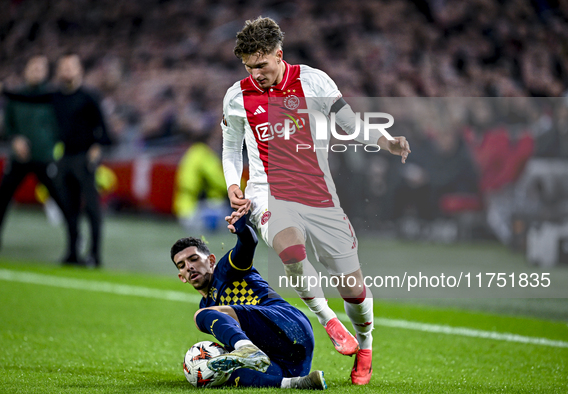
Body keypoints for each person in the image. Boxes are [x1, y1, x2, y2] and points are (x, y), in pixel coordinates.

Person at [221, 17, 411, 385]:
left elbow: (349, 124)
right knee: (290, 249)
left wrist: (386, 141)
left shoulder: (314, 81)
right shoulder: (236, 96)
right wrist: (234, 185)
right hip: (267, 192)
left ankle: (366, 344)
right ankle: (329, 320)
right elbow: (231, 148)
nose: (255, 73)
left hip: (318, 195)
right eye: (248, 67)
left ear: (279, 54)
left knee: (352, 287)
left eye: (261, 65)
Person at [171, 206, 327, 390]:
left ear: (211, 260)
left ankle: (245, 348)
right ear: (181, 277)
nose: (189, 267)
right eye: (182, 265)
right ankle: (295, 383)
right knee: (222, 372)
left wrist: (242, 229)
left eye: (194, 259)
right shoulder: (208, 305)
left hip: (286, 322)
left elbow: (248, 243)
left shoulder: (226, 270)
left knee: (201, 316)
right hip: (288, 359)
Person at [5, 54, 112, 267]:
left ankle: (94, 255)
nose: (67, 70)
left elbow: (105, 132)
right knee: (68, 208)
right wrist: (0, 90)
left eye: (71, 66)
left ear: (80, 69)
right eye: (63, 67)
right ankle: (72, 253)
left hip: (84, 158)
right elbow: (27, 97)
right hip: (65, 157)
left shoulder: (89, 96)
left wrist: (96, 149)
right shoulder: (56, 95)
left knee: (91, 208)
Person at [0, 56, 68, 254]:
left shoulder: (52, 95)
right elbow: (7, 125)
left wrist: (50, 144)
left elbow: (59, 126)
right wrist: (15, 139)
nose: (37, 70)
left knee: (61, 199)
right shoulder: (16, 95)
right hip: (18, 158)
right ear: (26, 69)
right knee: (2, 198)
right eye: (33, 66)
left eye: (41, 68)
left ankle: (75, 240)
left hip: (44, 156)